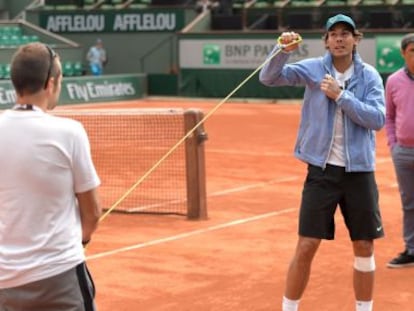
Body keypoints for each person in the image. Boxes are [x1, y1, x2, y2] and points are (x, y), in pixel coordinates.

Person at [259, 14, 385, 311]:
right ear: (326, 41)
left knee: (364, 246)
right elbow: (269, 77)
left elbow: (377, 119)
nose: (340, 39)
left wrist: (341, 96)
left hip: (359, 173)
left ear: (356, 39)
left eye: (346, 34)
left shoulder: (369, 76)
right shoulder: (313, 69)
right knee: (306, 245)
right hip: (322, 171)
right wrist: (282, 51)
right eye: (334, 34)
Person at [0, 42, 101, 310]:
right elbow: (92, 213)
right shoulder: (70, 132)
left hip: (6, 281)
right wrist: (82, 239)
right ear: (50, 83)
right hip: (62, 276)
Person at [385, 33, 414, 268]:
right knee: (409, 203)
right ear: (403, 53)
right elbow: (390, 117)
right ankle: (412, 249)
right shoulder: (393, 81)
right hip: (403, 153)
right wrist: (393, 145)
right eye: (412, 50)